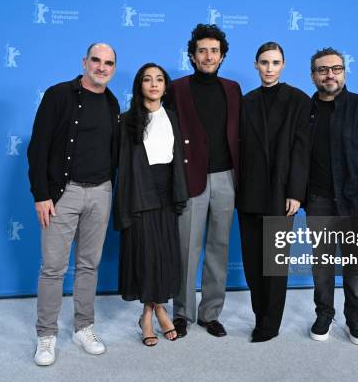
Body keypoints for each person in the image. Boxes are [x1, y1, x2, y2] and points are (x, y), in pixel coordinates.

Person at [27, 43, 119, 365]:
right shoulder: (58, 95)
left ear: (113, 69)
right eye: (96, 60)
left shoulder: (111, 102)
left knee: (89, 265)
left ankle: (83, 327)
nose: (101, 67)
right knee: (53, 268)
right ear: (84, 62)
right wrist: (41, 194)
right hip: (62, 194)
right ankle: (46, 335)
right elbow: (37, 147)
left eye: (108, 63)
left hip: (101, 193)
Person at [305, 47, 358, 346]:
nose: (330, 75)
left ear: (344, 72)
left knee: (355, 264)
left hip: (355, 201)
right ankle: (325, 314)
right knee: (322, 263)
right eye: (323, 70)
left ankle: (355, 319)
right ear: (313, 75)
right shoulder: (305, 109)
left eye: (336, 69)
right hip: (319, 201)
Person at [165, 24, 241, 338]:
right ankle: (182, 313)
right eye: (202, 51)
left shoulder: (233, 88)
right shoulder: (177, 88)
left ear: (222, 56)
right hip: (189, 176)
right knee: (186, 248)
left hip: (227, 177)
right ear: (192, 56)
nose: (208, 56)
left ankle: (211, 313)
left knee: (219, 246)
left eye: (214, 51)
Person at [237, 42, 313, 342]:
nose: (269, 68)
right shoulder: (246, 101)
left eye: (275, 62)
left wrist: (296, 192)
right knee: (253, 262)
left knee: (275, 263)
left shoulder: (299, 100)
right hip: (249, 193)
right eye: (264, 62)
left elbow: (301, 151)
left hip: (281, 193)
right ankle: (259, 315)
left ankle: (270, 324)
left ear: (283, 66)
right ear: (256, 64)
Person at [114, 63, 188, 346]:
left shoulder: (172, 117)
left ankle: (156, 308)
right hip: (139, 192)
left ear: (165, 86)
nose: (154, 84)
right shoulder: (127, 119)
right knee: (145, 253)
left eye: (159, 79)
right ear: (139, 86)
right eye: (147, 79)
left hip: (168, 190)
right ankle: (150, 312)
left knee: (163, 253)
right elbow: (122, 164)